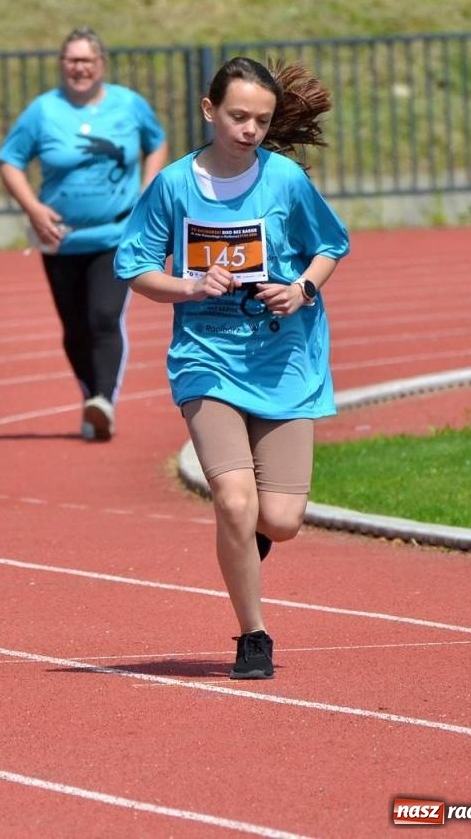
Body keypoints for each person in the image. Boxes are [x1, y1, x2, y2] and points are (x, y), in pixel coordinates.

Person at [114, 56, 348, 681]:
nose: (249, 129)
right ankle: (253, 634)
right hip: (206, 361)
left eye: (262, 120)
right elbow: (134, 267)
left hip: (282, 361)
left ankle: (247, 543)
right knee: (234, 501)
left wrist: (301, 287)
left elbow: (331, 245)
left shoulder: (286, 180)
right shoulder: (173, 186)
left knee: (280, 520)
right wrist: (188, 287)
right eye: (239, 115)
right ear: (209, 109)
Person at [0, 27, 168, 442]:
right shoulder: (42, 111)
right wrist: (34, 209)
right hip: (60, 237)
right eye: (72, 60)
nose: (79, 68)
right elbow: (9, 160)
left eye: (87, 60)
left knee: (104, 317)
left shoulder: (129, 104)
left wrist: (148, 187)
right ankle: (92, 398)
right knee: (74, 327)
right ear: (62, 65)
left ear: (101, 65)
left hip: (116, 234)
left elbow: (157, 142)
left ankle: (104, 399)